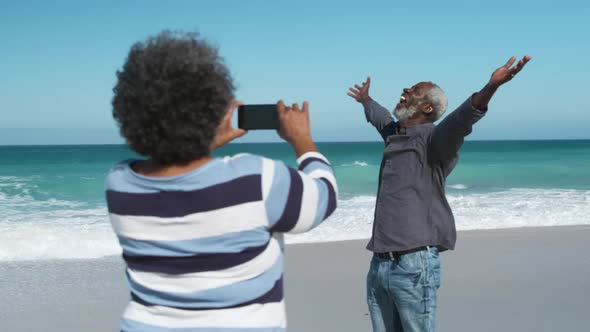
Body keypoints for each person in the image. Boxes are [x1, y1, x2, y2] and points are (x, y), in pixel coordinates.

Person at [106, 31, 338, 332]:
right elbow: (323, 198)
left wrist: (201, 143)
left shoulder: (120, 183)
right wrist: (302, 139)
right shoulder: (256, 179)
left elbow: (180, 175)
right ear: (211, 105)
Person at [347, 55, 532, 332]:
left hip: (413, 265)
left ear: (427, 107)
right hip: (380, 263)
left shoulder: (435, 140)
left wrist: (491, 86)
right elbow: (381, 119)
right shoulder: (395, 135)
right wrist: (366, 101)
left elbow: (461, 120)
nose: (406, 90)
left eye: (414, 91)